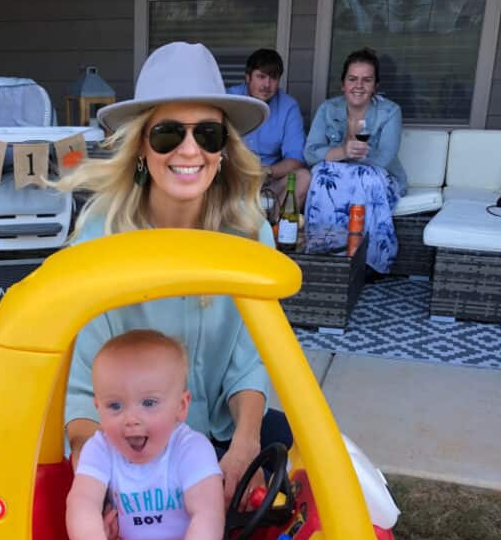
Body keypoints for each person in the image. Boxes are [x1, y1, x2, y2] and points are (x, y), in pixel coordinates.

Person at [62, 41, 292, 510]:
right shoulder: (98, 240)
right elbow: (83, 391)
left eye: (208, 134)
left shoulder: (248, 232)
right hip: (130, 448)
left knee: (293, 464)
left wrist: (244, 444)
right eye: (169, 134)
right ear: (141, 147)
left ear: (224, 149)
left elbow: (250, 361)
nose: (190, 150)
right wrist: (101, 488)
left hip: (224, 434)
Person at [66, 329, 226, 540]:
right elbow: (82, 502)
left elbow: (209, 514)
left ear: (181, 406)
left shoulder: (191, 450)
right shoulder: (100, 449)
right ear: (97, 409)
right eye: (115, 406)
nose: (131, 418)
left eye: (149, 403)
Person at [303, 47, 407, 274]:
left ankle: (367, 262)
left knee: (364, 178)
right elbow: (310, 153)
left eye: (366, 80)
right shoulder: (328, 109)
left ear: (375, 86)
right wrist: (343, 151)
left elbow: (384, 158)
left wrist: (355, 156)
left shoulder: (390, 112)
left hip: (379, 177)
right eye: (352, 79)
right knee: (321, 175)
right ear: (343, 84)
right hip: (339, 177)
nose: (358, 86)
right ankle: (324, 251)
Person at [228, 48, 311, 219]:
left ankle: (273, 230)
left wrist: (265, 171)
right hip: (231, 180)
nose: (267, 84)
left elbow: (296, 160)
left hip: (267, 183)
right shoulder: (229, 99)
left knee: (303, 177)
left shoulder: (288, 106)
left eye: (273, 78)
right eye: (261, 77)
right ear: (248, 77)